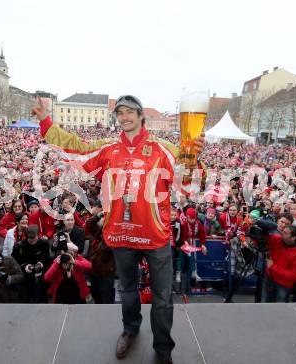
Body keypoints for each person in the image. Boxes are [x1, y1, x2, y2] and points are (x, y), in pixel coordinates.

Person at [33, 94, 205, 363]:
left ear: (140, 116)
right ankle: (130, 330)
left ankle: (163, 349)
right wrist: (46, 121)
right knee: (126, 290)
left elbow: (188, 186)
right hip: (121, 234)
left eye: (130, 112)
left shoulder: (165, 149)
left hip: (155, 236)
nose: (124, 117)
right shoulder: (108, 148)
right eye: (120, 113)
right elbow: (77, 149)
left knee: (162, 298)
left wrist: (194, 159)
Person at [11, 225, 50, 303]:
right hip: (25, 279)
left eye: (35, 239)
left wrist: (41, 263)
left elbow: (47, 259)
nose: (33, 242)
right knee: (26, 299)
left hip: (41, 277)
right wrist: (25, 266)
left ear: (38, 235)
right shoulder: (19, 246)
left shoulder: (44, 243)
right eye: (30, 240)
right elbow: (14, 264)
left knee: (42, 299)